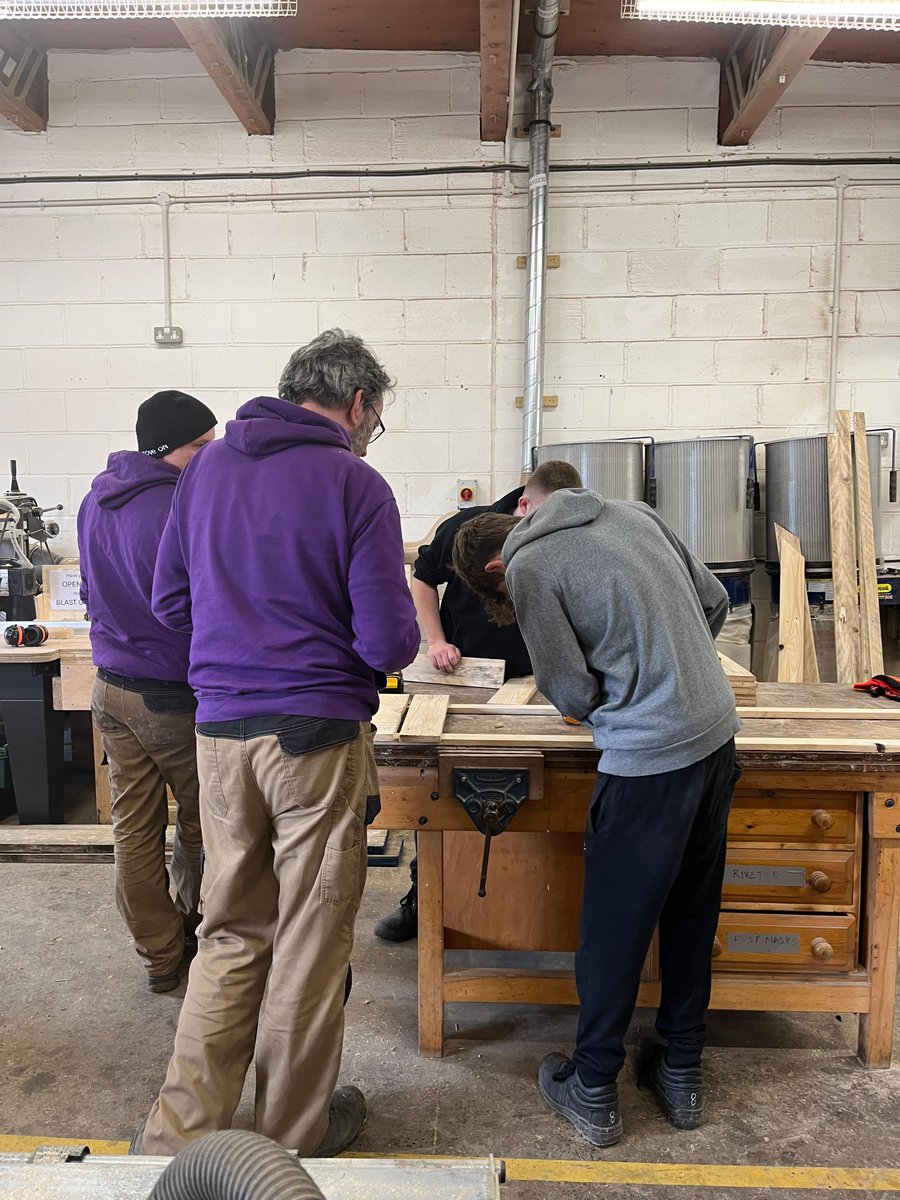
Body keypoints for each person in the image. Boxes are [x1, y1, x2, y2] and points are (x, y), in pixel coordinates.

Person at [136, 330, 420, 1159]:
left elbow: (170, 603)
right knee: (307, 938)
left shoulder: (208, 469)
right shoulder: (355, 483)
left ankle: (179, 1139)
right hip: (313, 739)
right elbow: (387, 644)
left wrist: (240, 644)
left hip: (219, 732)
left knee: (229, 933)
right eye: (374, 417)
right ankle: (290, 1143)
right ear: (359, 404)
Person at [451, 488, 741, 1147]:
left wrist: (628, 695)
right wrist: (672, 672)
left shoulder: (528, 567)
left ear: (493, 571)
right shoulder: (630, 512)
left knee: (613, 930)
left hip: (649, 761)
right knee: (691, 912)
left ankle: (592, 1087)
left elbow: (572, 689)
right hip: (718, 738)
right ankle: (681, 1071)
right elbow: (716, 602)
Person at [375, 459, 583, 943]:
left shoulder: (564, 536)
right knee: (440, 791)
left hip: (540, 681)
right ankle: (421, 896)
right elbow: (422, 580)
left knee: (547, 792)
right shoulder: (466, 531)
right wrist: (436, 641)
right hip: (466, 676)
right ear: (524, 504)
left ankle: (536, 904)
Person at [77, 390, 217, 994]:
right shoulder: (175, 510)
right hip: (170, 691)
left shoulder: (95, 499)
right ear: (167, 451)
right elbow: (195, 607)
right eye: (199, 448)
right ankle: (203, 935)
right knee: (204, 820)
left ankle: (160, 955)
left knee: (133, 827)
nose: (209, 459)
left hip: (110, 686)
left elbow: (87, 589)